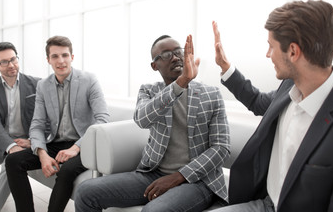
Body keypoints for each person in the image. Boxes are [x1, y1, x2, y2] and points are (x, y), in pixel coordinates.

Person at [210, 0, 333, 212]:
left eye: (271, 46)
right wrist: (226, 68)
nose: (268, 54)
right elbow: (259, 102)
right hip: (265, 205)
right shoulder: (289, 85)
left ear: (293, 52)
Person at [75, 35, 229, 212]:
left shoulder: (211, 94)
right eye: (166, 55)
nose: (176, 57)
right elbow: (142, 119)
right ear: (154, 66)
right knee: (86, 191)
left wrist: (179, 176)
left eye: (178, 51)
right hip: (153, 174)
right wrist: (181, 82)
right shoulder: (149, 90)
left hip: (199, 180)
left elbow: (221, 147)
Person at [5, 35, 110, 212]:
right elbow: (37, 124)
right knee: (13, 161)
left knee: (67, 171)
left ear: (72, 57)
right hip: (56, 143)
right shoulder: (43, 85)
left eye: (65, 55)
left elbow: (103, 119)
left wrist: (75, 148)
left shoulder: (89, 80)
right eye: (55, 56)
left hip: (85, 145)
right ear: (48, 60)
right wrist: (42, 152)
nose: (60, 61)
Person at [0, 42, 40, 212]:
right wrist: (10, 145)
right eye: (4, 62)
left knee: (10, 167)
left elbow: (44, 119)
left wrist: (30, 141)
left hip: (26, 141)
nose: (11, 65)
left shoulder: (37, 84)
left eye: (13, 59)